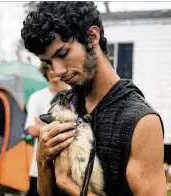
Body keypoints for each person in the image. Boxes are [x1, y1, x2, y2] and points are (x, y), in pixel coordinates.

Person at [21, 2, 166, 196]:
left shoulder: (140, 121)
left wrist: (68, 185)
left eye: (63, 54)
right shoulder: (63, 105)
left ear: (92, 37)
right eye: (48, 63)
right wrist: (42, 161)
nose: (57, 71)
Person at [25, 62, 69, 196]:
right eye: (48, 69)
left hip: (69, 167)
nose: (52, 72)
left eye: (54, 67)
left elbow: (80, 127)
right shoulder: (36, 97)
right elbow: (32, 130)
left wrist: (43, 126)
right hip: (40, 167)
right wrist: (63, 125)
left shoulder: (74, 94)